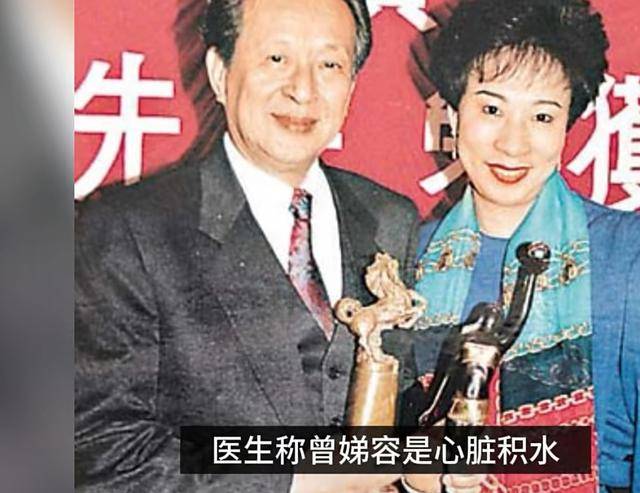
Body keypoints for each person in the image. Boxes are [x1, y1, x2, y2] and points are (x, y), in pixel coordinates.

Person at [74, 0, 419, 491]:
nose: (303, 89)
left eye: (329, 64)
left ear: (352, 86)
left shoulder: (390, 218)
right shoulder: (127, 230)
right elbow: (102, 449)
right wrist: (296, 481)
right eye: (276, 58)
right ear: (220, 74)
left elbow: (403, 400)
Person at [400, 0, 640, 492]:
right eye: (491, 109)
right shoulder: (408, 259)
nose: (513, 144)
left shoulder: (628, 255)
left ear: (568, 124)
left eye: (542, 117)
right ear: (453, 112)